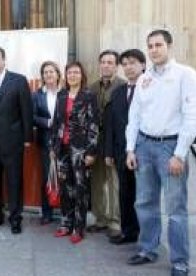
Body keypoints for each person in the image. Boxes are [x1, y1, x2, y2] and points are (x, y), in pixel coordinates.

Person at [126, 29, 196, 276]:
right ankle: (148, 249)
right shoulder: (145, 78)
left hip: (171, 147)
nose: (154, 50)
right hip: (144, 146)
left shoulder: (185, 75)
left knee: (176, 208)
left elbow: (192, 117)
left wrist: (179, 153)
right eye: (150, 46)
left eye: (158, 45)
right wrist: (130, 148)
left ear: (169, 46)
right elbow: (134, 115)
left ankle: (179, 261)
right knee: (144, 202)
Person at [0, 46, 33, 234]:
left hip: (12, 141)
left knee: (14, 181)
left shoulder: (19, 81)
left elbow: (26, 111)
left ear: (4, 60)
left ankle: (15, 218)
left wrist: (28, 138)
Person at [49, 61, 98, 244]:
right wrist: (53, 147)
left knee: (80, 189)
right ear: (66, 75)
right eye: (70, 73)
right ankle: (65, 223)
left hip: (81, 150)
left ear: (82, 75)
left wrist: (91, 151)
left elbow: (93, 125)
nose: (73, 75)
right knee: (65, 188)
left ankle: (79, 227)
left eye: (76, 72)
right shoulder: (61, 95)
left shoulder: (89, 95)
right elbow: (56, 123)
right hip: (62, 149)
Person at [104, 49, 146, 245]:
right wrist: (109, 152)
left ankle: (147, 236)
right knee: (125, 192)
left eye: (133, 63)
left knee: (146, 195)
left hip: (146, 150)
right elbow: (111, 124)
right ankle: (128, 231)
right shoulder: (118, 92)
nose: (128, 67)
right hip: (122, 151)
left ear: (143, 65)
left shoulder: (151, 87)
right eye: (125, 64)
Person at [88, 50, 125, 238]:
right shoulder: (92, 87)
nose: (106, 65)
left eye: (110, 62)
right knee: (96, 182)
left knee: (114, 182)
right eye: (103, 62)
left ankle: (115, 221)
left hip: (115, 143)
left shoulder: (123, 86)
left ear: (117, 66)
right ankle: (100, 219)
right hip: (96, 142)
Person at [32, 61, 62, 225]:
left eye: (52, 71)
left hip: (64, 141)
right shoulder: (37, 95)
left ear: (58, 74)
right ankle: (47, 212)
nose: (49, 74)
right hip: (45, 142)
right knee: (46, 177)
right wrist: (48, 122)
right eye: (45, 72)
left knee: (64, 176)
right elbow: (32, 116)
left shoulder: (65, 93)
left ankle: (66, 210)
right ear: (42, 76)